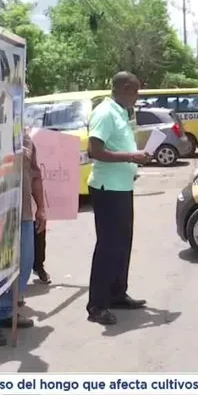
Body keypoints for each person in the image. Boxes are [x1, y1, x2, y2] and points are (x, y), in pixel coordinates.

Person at [85, 71, 151, 325]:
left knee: (123, 244)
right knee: (108, 246)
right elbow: (95, 150)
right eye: (136, 91)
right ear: (124, 88)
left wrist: (137, 158)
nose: (137, 96)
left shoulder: (121, 112)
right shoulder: (104, 113)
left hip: (121, 187)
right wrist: (131, 157)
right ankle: (96, 305)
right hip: (107, 189)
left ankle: (116, 294)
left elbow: (120, 146)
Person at [0, 130, 47, 346]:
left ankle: (6, 310)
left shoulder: (26, 138)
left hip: (23, 214)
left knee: (24, 264)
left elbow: (35, 176)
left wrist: (41, 208)